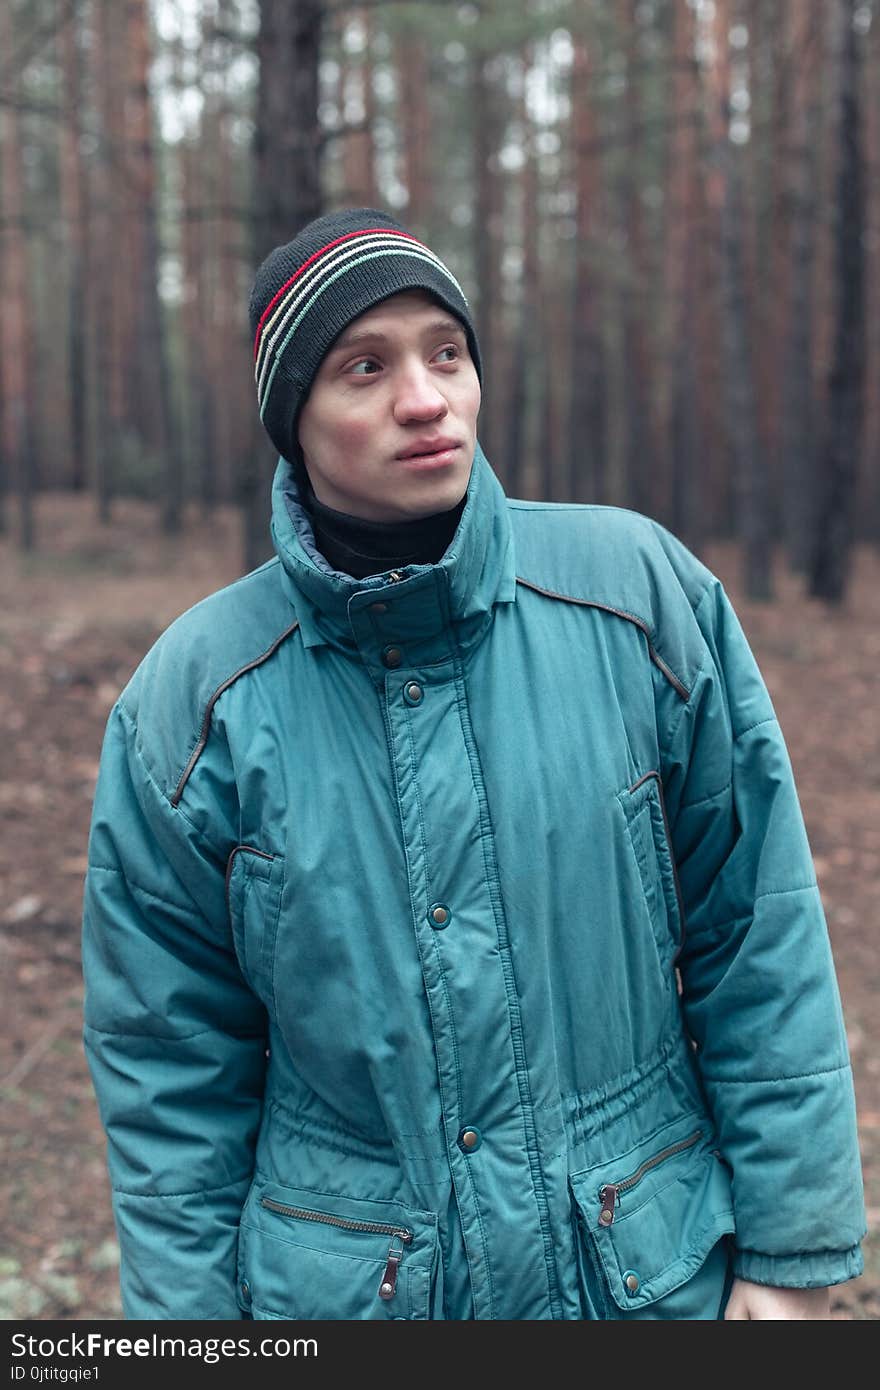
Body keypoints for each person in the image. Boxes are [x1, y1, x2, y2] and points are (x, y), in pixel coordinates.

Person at [82, 207, 865, 1321]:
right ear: (292, 416)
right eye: (365, 366)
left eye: (444, 352)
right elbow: (169, 1071)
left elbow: (758, 931)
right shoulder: (195, 702)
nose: (424, 397)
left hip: (644, 1271)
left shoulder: (635, 597)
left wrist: (790, 1253)